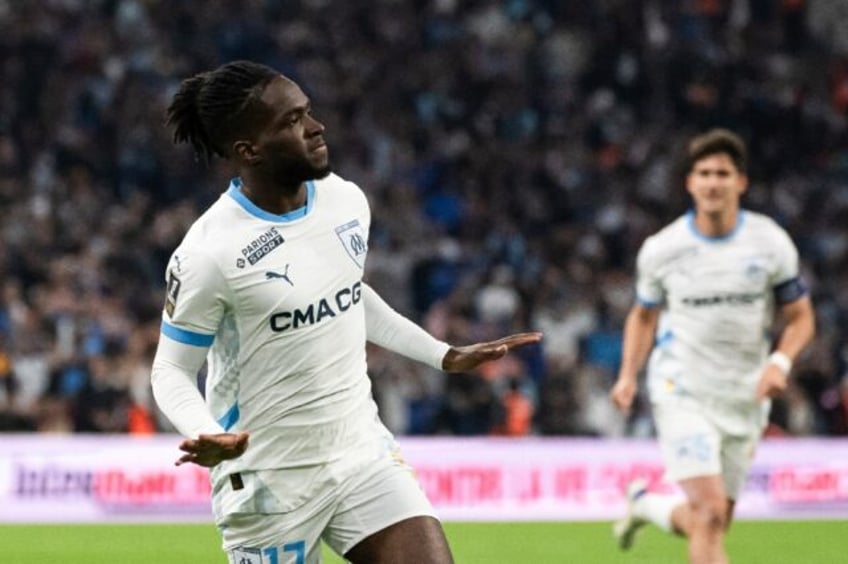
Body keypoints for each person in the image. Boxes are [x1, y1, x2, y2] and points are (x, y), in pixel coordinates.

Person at [149, 60, 541, 564]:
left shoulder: (346, 201)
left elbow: (349, 297)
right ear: (249, 151)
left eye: (307, 111)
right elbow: (171, 369)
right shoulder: (209, 253)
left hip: (361, 453)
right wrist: (202, 429)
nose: (315, 127)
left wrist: (442, 355)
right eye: (290, 121)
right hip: (270, 481)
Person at [609, 129, 815, 564]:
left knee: (715, 520)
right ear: (689, 182)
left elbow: (801, 316)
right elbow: (643, 315)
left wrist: (780, 361)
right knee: (708, 513)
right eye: (703, 173)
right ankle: (648, 504)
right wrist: (628, 374)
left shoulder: (769, 242)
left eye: (722, 173)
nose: (712, 182)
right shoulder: (663, 249)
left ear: (741, 182)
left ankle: (646, 504)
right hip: (681, 388)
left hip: (744, 394)